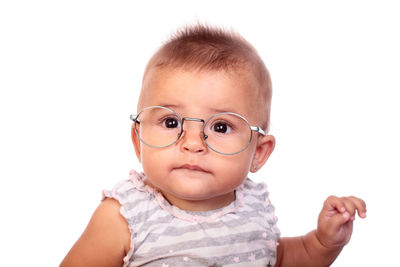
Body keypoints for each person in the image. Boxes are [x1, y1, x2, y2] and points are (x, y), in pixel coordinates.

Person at [60, 24, 367, 267]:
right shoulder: (124, 217)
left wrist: (323, 244)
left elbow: (280, 259)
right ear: (138, 141)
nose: (192, 143)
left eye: (220, 126)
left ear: (258, 152)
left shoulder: (252, 209)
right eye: (171, 123)